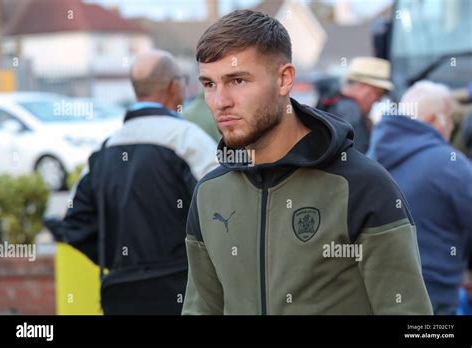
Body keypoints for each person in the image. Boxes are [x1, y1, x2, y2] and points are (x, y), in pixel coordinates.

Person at [181, 10, 432, 315]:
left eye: (237, 80)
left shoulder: (361, 185)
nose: (220, 101)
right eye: (209, 84)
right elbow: (200, 309)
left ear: (284, 79)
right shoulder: (209, 193)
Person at [45, 50, 218, 314]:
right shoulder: (190, 141)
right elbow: (222, 214)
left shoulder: (104, 150)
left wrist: (122, 264)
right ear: (175, 86)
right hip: (183, 296)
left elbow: (75, 223)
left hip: (120, 297)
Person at [367, 81, 472, 315]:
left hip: (374, 296)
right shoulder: (451, 164)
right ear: (437, 120)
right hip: (434, 299)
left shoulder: (368, 158)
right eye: (449, 120)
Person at [317, 56, 392, 153]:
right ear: (364, 88)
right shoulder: (351, 112)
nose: (379, 100)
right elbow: (360, 158)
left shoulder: (332, 102)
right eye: (379, 93)